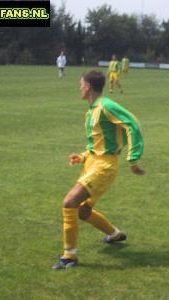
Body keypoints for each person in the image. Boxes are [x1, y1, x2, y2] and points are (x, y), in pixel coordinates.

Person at [52, 70, 145, 270]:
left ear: (87, 87)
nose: (79, 87)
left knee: (69, 202)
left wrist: (133, 158)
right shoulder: (92, 110)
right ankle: (114, 234)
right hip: (93, 163)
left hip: (104, 166)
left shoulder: (105, 105)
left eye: (80, 84)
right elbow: (98, 143)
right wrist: (83, 156)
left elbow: (133, 124)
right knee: (83, 211)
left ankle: (69, 256)